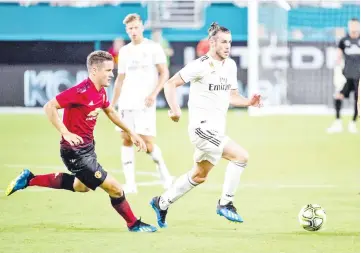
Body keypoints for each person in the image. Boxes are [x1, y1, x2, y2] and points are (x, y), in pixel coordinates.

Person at [5, 50, 157, 233]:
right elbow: (49, 106)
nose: (112, 74)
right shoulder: (80, 91)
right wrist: (65, 132)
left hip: (88, 148)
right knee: (116, 189)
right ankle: (133, 224)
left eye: (112, 70)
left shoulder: (100, 91)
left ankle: (29, 179)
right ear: (94, 71)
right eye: (108, 70)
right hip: (74, 152)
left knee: (81, 186)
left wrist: (131, 132)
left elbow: (110, 111)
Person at [149, 22, 262, 228]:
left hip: (216, 130)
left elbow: (232, 96)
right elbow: (170, 83)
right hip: (201, 129)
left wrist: (249, 102)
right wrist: (174, 109)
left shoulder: (230, 66)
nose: (228, 46)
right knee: (241, 157)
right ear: (212, 42)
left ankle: (161, 202)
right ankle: (226, 203)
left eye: (229, 42)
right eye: (223, 42)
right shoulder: (200, 65)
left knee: (199, 175)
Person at [111, 13, 173, 194]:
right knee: (126, 138)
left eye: (136, 27)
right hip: (126, 102)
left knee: (146, 143)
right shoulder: (124, 51)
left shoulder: (154, 48)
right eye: (130, 28)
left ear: (142, 28)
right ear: (126, 30)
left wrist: (154, 93)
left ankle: (165, 174)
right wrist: (112, 104)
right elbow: (120, 80)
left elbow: (164, 73)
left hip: (145, 103)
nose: (133, 31)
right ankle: (130, 184)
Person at [327, 18, 360, 134]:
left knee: (358, 101)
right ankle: (337, 122)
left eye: (356, 25)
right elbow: (338, 58)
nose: (353, 28)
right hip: (346, 76)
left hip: (359, 77)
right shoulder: (343, 41)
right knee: (338, 95)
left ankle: (353, 123)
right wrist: (338, 72)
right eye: (351, 25)